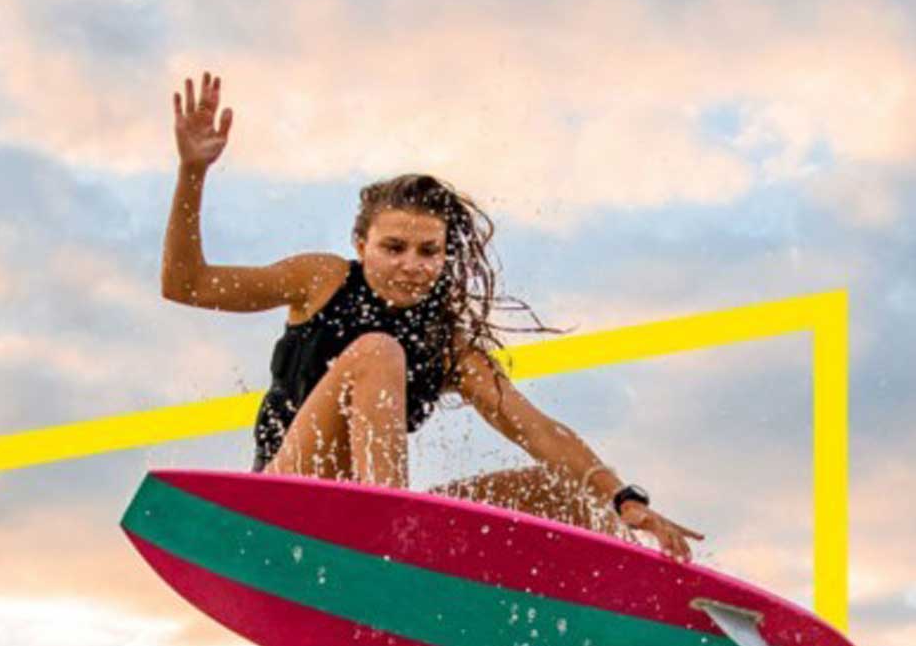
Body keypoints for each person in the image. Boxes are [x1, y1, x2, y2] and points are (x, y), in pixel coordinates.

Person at [155, 70, 704, 562]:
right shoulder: (320, 280)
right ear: (361, 243)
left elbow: (536, 428)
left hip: (375, 534)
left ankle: (548, 644)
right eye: (393, 247)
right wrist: (192, 172)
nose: (412, 266)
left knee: (571, 495)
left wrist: (623, 499)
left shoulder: (448, 346)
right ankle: (385, 523)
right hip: (284, 505)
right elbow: (187, 286)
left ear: (445, 255)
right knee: (377, 350)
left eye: (428, 252)